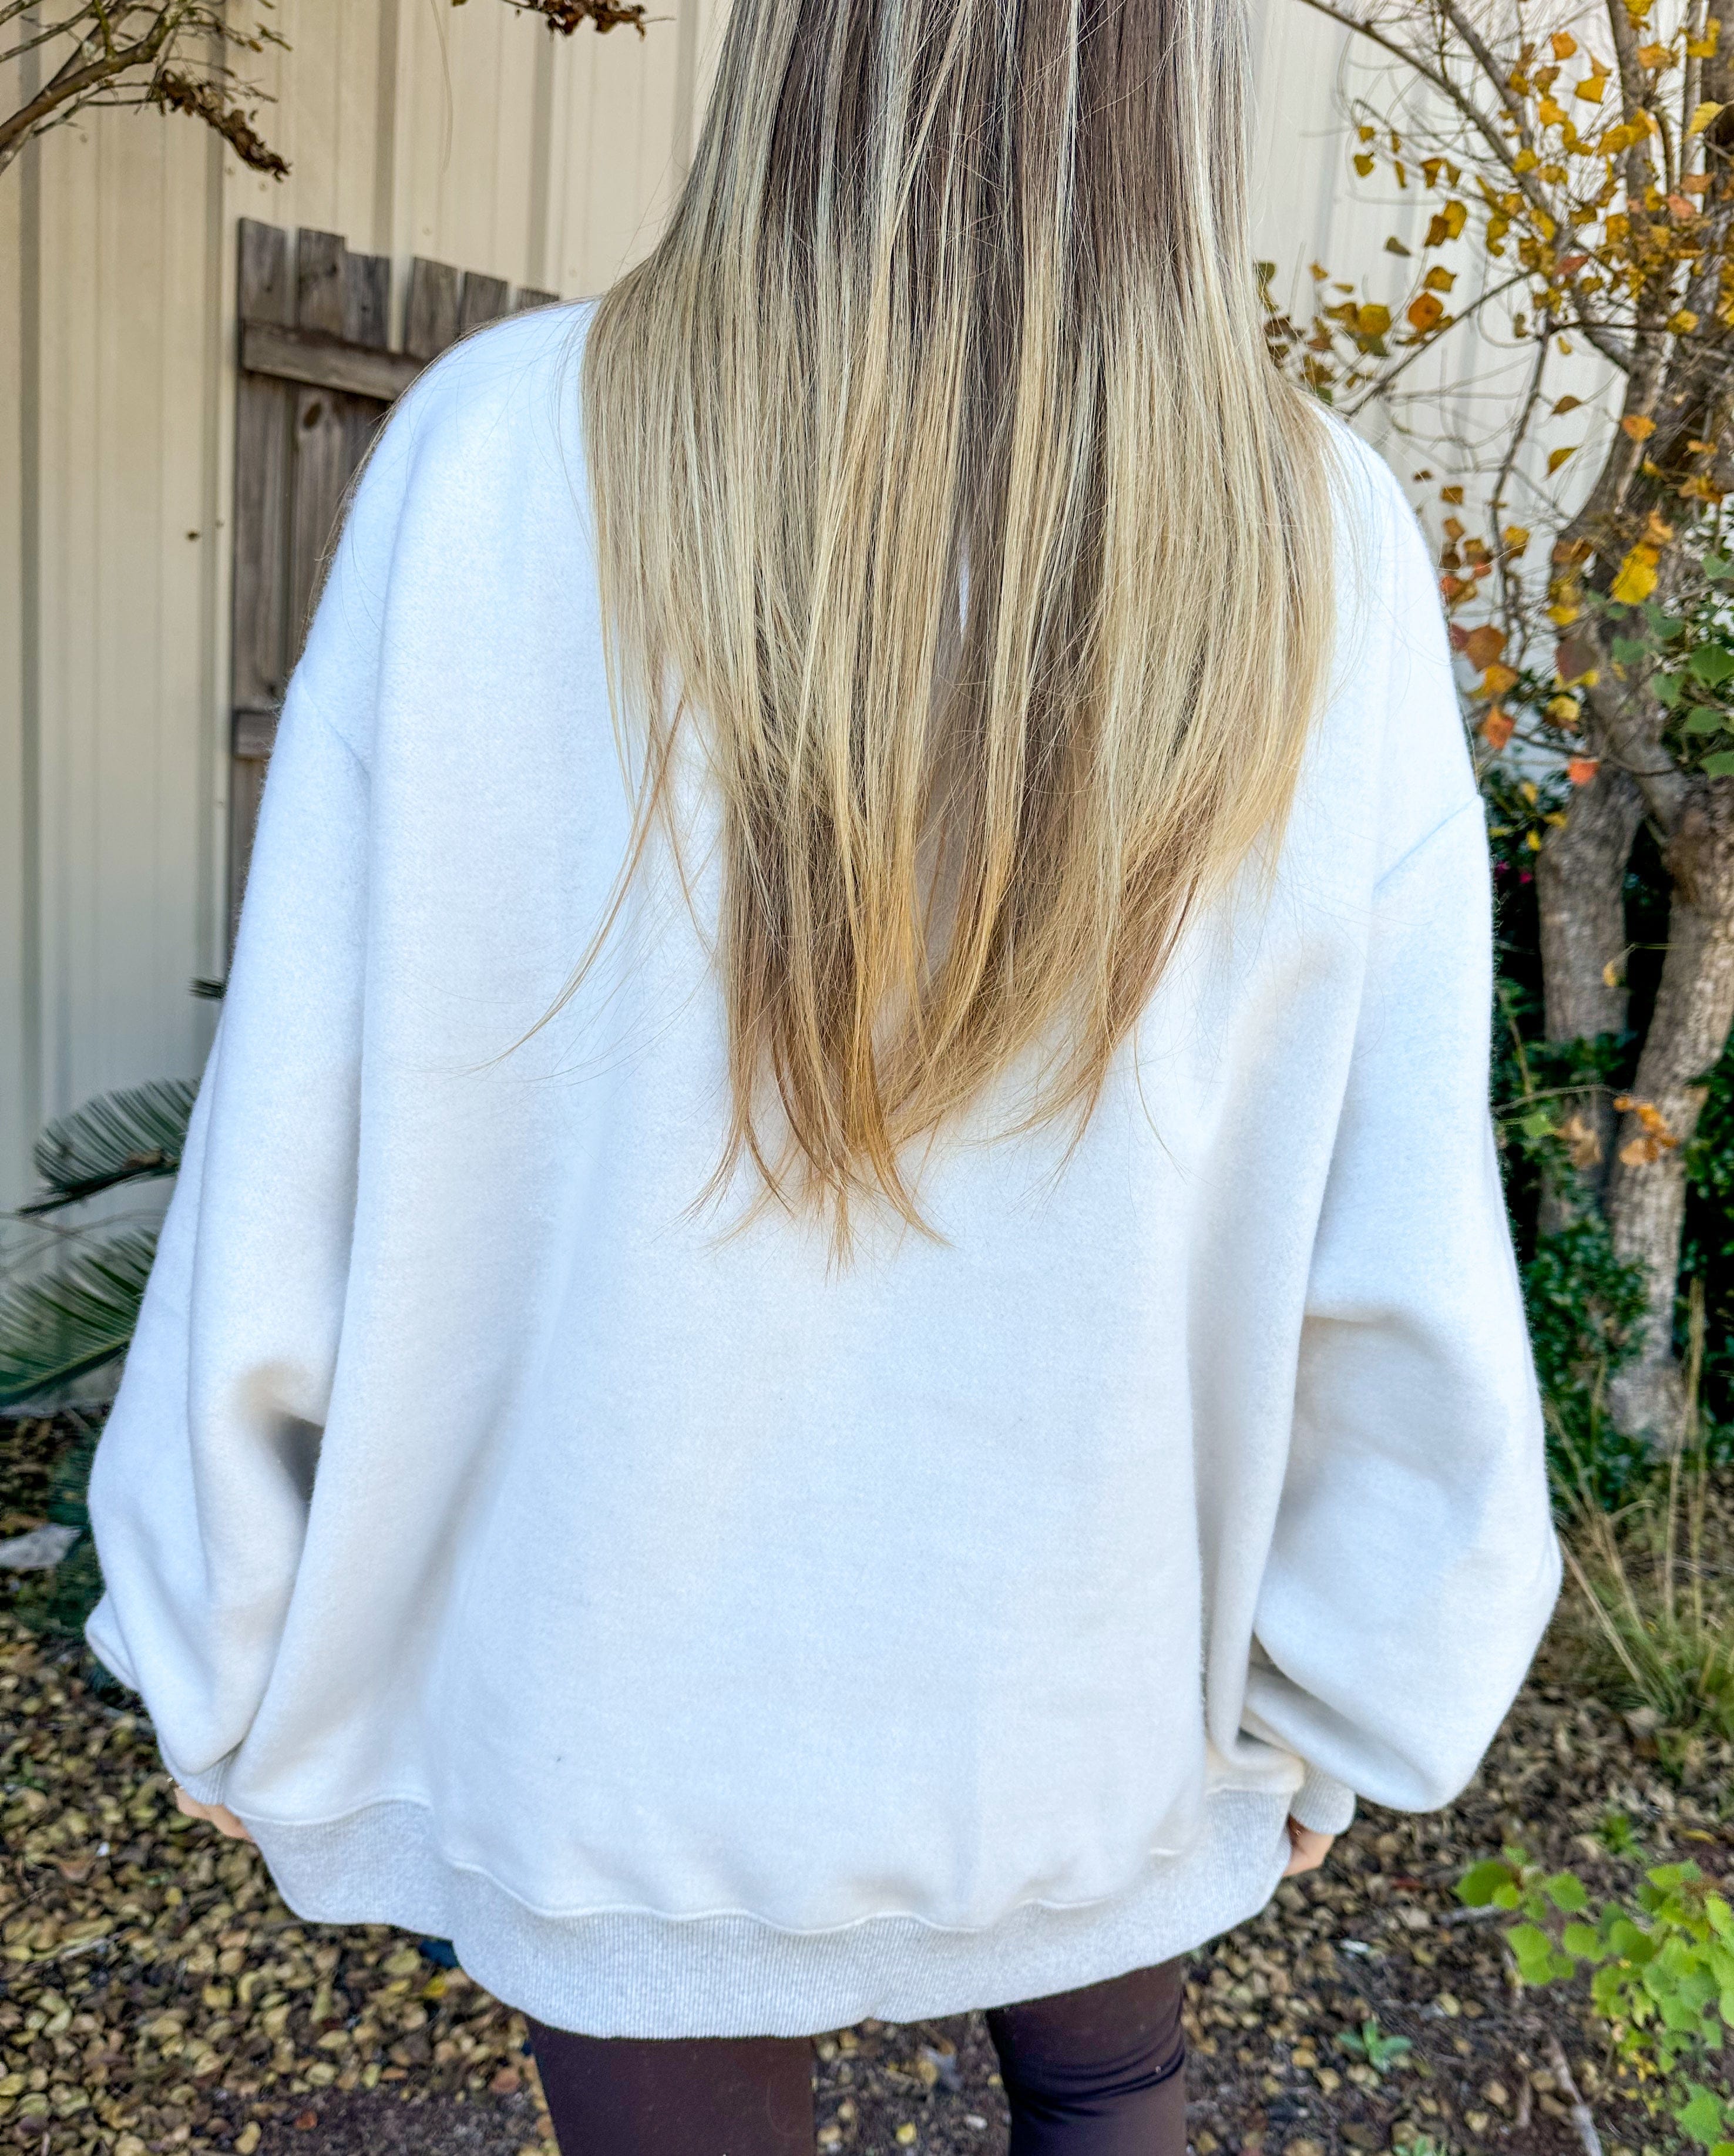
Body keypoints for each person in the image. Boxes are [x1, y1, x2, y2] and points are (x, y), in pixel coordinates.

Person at [84, 0, 1562, 2149]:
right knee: (1112, 2088)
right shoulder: (1314, 539)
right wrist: (1353, 1680)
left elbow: (302, 1128)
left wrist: (219, 1630)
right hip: (1083, 1694)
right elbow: (1394, 1220)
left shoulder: (502, 461)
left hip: (612, 1709)